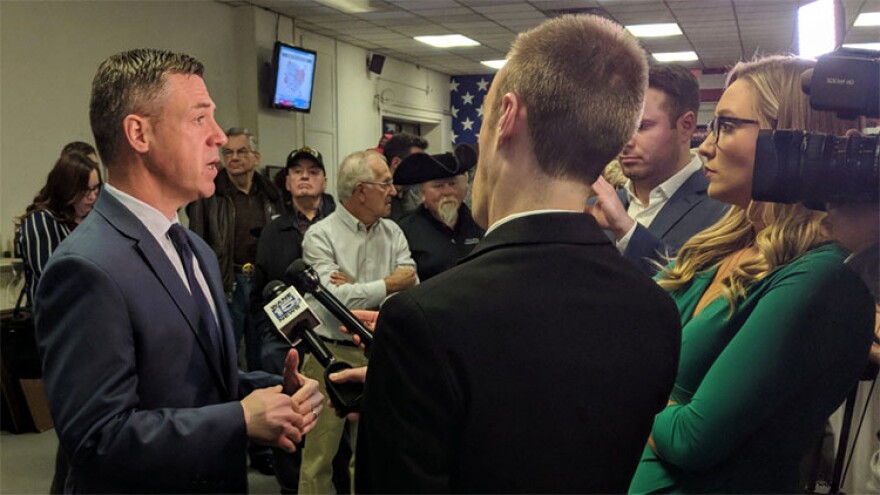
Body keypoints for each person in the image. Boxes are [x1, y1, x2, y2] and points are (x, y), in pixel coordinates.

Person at [348, 15, 682, 492]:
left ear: (506, 117)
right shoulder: (656, 311)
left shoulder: (424, 321)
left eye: (483, 122)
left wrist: (413, 369)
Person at [34, 48, 323, 493]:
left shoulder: (193, 248)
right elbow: (97, 438)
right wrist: (239, 419)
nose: (219, 137)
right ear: (139, 133)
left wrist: (269, 393)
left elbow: (189, 382)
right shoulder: (86, 267)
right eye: (199, 118)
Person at [628, 55, 875, 494]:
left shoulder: (818, 276)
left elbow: (691, 438)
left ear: (792, 135)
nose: (705, 147)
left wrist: (617, 383)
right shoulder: (719, 246)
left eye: (727, 126)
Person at [298, 149, 417, 494]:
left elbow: (411, 289)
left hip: (378, 354)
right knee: (318, 459)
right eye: (385, 183)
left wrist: (356, 288)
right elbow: (333, 300)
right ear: (361, 190)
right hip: (328, 356)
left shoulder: (393, 232)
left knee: (371, 456)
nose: (393, 191)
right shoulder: (320, 235)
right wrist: (388, 284)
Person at [587, 65, 728, 274]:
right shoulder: (593, 210)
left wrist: (628, 232)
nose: (626, 141)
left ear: (686, 126)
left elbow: (698, 284)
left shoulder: (725, 210)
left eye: (641, 127)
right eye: (620, 127)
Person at [251, 145, 336, 493]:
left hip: (331, 340)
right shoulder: (273, 231)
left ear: (325, 181)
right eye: (297, 172)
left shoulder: (339, 226)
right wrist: (270, 333)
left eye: (312, 171)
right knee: (289, 417)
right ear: (286, 183)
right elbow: (262, 289)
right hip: (284, 341)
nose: (304, 177)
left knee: (330, 421)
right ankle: (290, 486)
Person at [17, 149, 101, 307]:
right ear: (67, 188)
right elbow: (52, 279)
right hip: (58, 314)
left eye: (96, 188)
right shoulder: (41, 221)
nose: (92, 197)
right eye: (85, 190)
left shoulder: (94, 219)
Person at [394, 152, 484, 280]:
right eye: (438, 186)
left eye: (452, 184)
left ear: (463, 189)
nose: (447, 192)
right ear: (422, 194)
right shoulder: (406, 231)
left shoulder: (480, 223)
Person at [382, 132, 427, 220]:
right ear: (396, 163)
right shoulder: (377, 202)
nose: (421, 169)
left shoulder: (416, 202)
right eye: (416, 163)